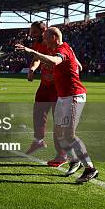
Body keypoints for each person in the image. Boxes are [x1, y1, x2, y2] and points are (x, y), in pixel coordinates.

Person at [16, 27, 98, 183]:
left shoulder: (62, 50)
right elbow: (71, 62)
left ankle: (90, 168)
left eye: (46, 39)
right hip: (63, 96)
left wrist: (31, 51)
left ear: (54, 37)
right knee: (60, 132)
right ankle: (75, 160)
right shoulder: (64, 48)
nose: (44, 42)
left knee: (69, 134)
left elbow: (55, 61)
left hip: (74, 96)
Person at [24, 22, 67, 166]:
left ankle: (62, 154)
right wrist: (32, 69)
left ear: (44, 32)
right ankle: (39, 141)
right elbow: (36, 59)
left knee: (58, 121)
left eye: (34, 32)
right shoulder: (39, 44)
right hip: (44, 85)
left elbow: (65, 56)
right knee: (38, 114)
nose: (31, 35)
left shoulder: (57, 46)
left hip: (57, 88)